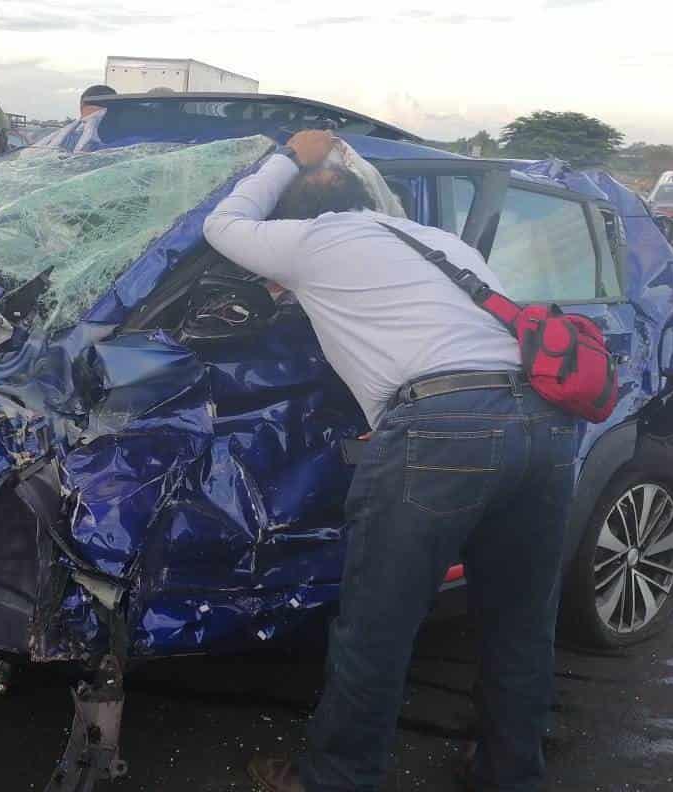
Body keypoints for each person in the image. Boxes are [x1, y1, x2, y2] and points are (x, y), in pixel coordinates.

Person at [203, 130, 577, 792]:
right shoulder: (439, 244)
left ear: (296, 218)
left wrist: (292, 153)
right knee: (520, 624)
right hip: (542, 427)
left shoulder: (314, 241)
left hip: (442, 428)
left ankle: (336, 780)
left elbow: (222, 223)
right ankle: (508, 772)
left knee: (376, 629)